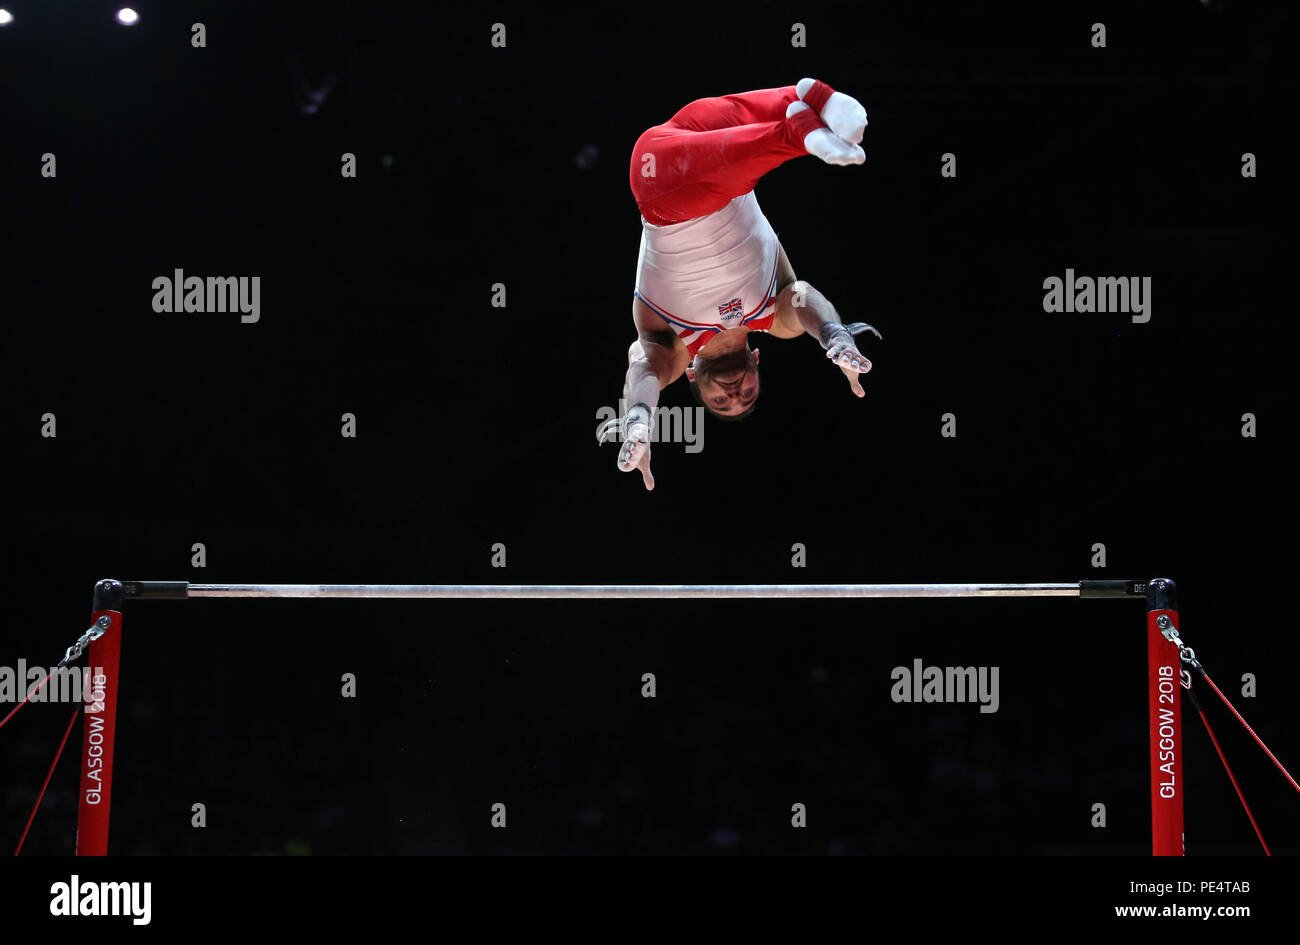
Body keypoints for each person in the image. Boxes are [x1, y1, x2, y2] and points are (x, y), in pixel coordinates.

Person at [600, 78, 882, 490]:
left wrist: (639, 418)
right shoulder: (775, 315)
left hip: (663, 183)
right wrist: (834, 336)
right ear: (757, 364)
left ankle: (799, 135)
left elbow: (642, 367)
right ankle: (814, 99)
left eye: (720, 401)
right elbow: (803, 297)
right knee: (765, 111)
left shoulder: (676, 348)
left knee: (744, 160)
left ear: (694, 377)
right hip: (699, 133)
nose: (734, 393)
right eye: (747, 396)